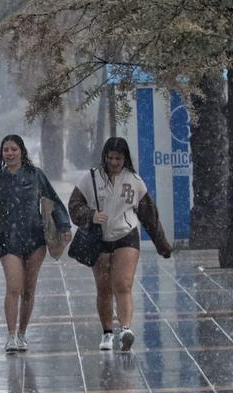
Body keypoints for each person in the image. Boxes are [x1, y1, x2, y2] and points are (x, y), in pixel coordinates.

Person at [68, 137, 172, 352]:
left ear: (125, 159)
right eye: (110, 158)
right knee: (104, 289)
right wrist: (89, 215)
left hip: (127, 235)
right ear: (104, 158)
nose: (114, 162)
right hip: (100, 240)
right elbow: (74, 205)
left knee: (123, 284)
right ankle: (107, 333)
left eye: (118, 158)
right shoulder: (90, 179)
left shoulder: (134, 180)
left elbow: (149, 216)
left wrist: (162, 245)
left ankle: (125, 329)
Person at [0, 135, 71, 353]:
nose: (9, 153)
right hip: (9, 240)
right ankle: (10, 336)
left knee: (29, 289)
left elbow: (53, 200)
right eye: (6, 150)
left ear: (22, 152)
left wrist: (64, 226)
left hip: (35, 239)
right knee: (14, 287)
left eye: (13, 149)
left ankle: (22, 333)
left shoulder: (36, 175)